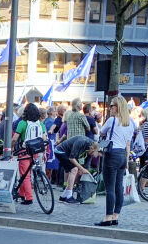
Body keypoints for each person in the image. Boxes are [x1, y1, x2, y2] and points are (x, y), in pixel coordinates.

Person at [96, 96, 135, 224]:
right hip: (123, 154)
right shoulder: (130, 122)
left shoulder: (111, 120)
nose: (110, 108)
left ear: (117, 107)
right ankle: (115, 215)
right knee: (119, 187)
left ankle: (107, 217)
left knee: (110, 188)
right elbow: (128, 143)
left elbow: (101, 133)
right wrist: (127, 158)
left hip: (112, 154)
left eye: (111, 105)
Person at [55, 134, 100, 203]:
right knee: (74, 169)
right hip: (60, 151)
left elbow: (86, 166)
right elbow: (72, 158)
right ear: (92, 149)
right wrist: (82, 169)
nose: (92, 155)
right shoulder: (82, 142)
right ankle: (69, 196)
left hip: (68, 154)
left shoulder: (91, 148)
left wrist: (84, 172)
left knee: (77, 170)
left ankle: (64, 196)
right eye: (93, 154)